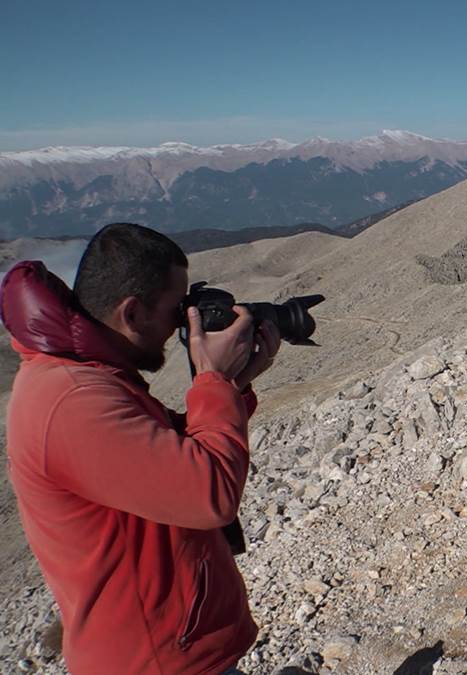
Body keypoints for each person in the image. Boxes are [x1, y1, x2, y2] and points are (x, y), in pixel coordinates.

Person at [3, 223, 281, 674]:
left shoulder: (85, 377)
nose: (181, 327)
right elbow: (208, 494)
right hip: (153, 659)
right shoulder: (72, 399)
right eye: (176, 311)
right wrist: (212, 381)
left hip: (166, 648)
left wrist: (233, 384)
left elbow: (165, 457)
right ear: (131, 314)